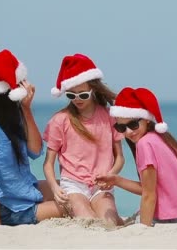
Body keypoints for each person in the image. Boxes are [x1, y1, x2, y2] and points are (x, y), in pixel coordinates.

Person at [0, 49, 63, 225]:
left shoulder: (11, 113)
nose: (25, 86)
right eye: (20, 83)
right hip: (7, 209)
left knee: (74, 190)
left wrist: (27, 109)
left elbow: (35, 151)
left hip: (26, 192)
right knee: (71, 205)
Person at [96, 87, 177, 226]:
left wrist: (144, 229)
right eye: (122, 128)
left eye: (133, 124)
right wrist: (116, 180)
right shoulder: (159, 137)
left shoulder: (144, 144)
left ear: (146, 119)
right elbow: (150, 188)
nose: (129, 132)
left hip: (176, 218)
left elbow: (149, 195)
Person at [42, 54, 124, 225]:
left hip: (101, 186)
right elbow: (48, 163)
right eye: (71, 95)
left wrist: (111, 175)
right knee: (88, 221)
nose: (77, 99)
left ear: (93, 89)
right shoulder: (60, 120)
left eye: (83, 94)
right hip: (72, 185)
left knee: (109, 223)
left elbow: (120, 158)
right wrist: (54, 187)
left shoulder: (109, 117)